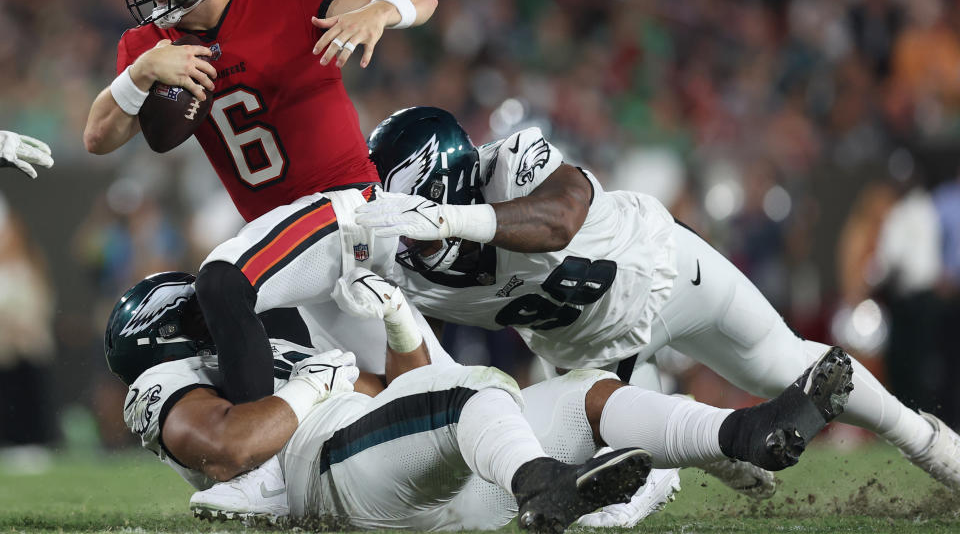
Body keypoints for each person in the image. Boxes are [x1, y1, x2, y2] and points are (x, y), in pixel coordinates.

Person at [357, 106, 960, 500]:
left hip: (660, 272)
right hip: (584, 355)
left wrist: (450, 219)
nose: (408, 234)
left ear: (445, 184)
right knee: (616, 489)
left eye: (413, 212)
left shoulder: (511, 163)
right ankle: (718, 452)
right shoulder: (404, 271)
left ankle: (926, 441)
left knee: (786, 365)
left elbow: (560, 221)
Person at [105, 269, 852, 531]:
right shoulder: (162, 381)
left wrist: (397, 325)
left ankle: (746, 432)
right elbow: (232, 444)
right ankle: (544, 488)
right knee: (470, 394)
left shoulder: (280, 364)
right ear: (167, 330)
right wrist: (313, 384)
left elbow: (395, 393)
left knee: (583, 394)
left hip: (393, 465)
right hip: (327, 477)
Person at [82, 0, 438, 406]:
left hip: (345, 210)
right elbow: (97, 136)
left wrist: (379, 11)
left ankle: (248, 457)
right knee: (408, 394)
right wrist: (139, 75)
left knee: (223, 282)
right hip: (289, 237)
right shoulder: (149, 45)